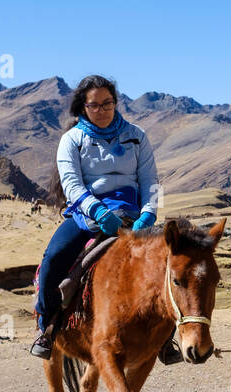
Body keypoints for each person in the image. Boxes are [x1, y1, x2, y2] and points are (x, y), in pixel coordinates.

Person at [30, 74, 161, 360]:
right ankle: (47, 327)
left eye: (107, 103)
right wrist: (98, 210)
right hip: (88, 215)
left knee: (172, 264)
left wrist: (149, 213)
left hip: (132, 214)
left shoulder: (137, 136)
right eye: (95, 105)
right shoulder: (72, 140)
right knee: (53, 260)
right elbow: (72, 185)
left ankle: (166, 338)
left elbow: (150, 179)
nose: (102, 110)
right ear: (83, 107)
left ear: (115, 102)